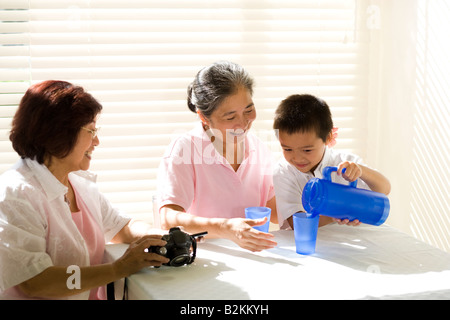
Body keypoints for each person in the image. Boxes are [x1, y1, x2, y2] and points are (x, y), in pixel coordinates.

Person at [0, 80, 169, 300]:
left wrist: (166, 237)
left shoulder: (78, 183)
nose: (97, 140)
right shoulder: (16, 195)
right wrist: (118, 269)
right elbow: (35, 282)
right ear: (59, 134)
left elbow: (122, 227)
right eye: (90, 130)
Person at [157, 61, 278, 252]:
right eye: (230, 117)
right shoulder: (185, 150)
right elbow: (168, 217)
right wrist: (225, 228)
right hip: (206, 264)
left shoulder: (258, 148)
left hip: (254, 258)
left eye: (248, 110)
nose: (243, 123)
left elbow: (276, 210)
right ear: (203, 117)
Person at [273, 94, 391, 229]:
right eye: (287, 149)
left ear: (328, 137)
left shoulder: (346, 163)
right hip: (306, 244)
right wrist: (338, 212)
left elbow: (384, 189)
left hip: (349, 241)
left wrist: (361, 171)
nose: (297, 158)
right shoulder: (283, 172)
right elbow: (298, 223)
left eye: (307, 150)